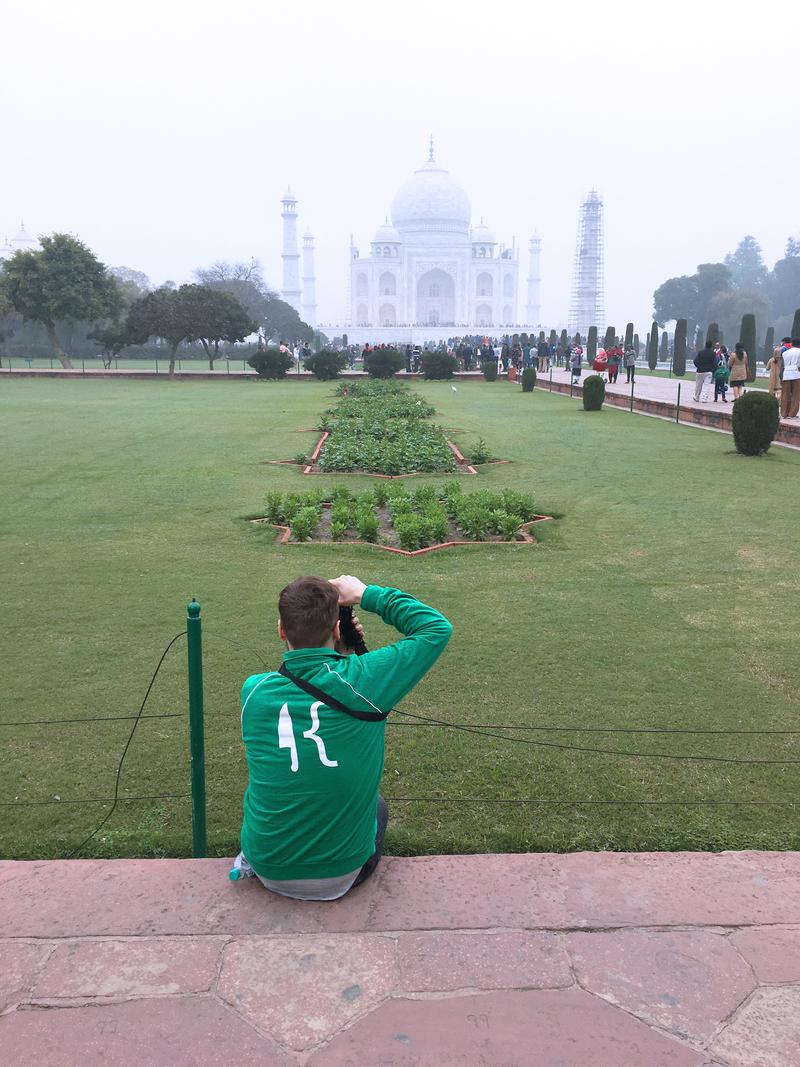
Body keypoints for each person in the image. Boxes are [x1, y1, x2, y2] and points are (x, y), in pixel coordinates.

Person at [234, 575, 452, 900]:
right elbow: (436, 628)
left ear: (281, 629)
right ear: (337, 628)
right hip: (341, 876)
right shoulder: (363, 682)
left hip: (268, 867)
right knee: (377, 806)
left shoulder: (254, 691)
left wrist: (342, 655)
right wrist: (366, 594)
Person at [779, 339, 800, 418]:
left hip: (786, 374)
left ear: (792, 344)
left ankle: (784, 413)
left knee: (785, 394)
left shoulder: (785, 353)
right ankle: (792, 413)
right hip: (796, 374)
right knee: (796, 394)